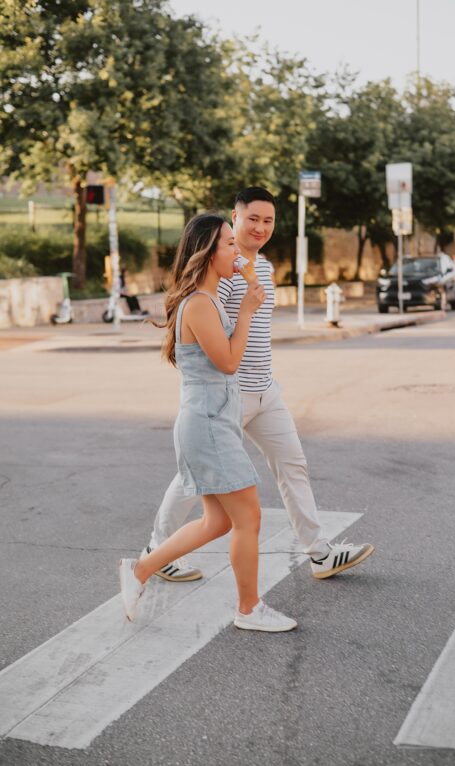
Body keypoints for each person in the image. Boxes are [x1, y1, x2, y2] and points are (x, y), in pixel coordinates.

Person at [141, 188, 374, 583]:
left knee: (292, 464)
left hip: (265, 389)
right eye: (253, 219)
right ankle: (156, 550)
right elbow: (209, 333)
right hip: (230, 394)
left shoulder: (261, 267)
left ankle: (319, 554)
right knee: (191, 477)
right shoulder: (223, 273)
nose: (261, 228)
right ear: (235, 217)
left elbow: (258, 329)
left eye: (268, 221)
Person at [119, 213, 297, 631]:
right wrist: (250, 309)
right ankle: (249, 609)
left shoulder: (210, 298)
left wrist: (248, 295)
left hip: (213, 423)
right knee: (249, 517)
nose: (238, 252)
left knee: (218, 521)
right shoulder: (199, 304)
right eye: (230, 244)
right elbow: (230, 362)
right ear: (207, 252)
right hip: (208, 427)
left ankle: (139, 571)